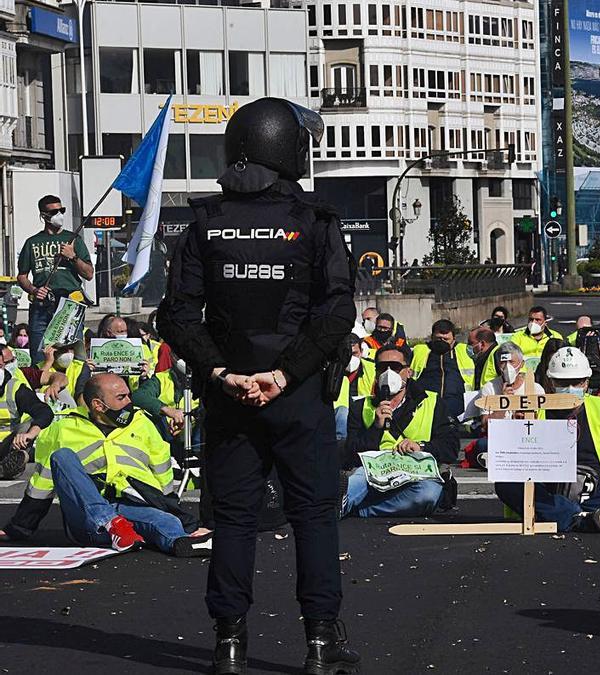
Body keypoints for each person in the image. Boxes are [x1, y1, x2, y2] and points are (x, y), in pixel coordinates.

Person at [155, 97, 360, 674]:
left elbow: (175, 316)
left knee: (235, 520)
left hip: (228, 395)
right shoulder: (315, 221)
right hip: (295, 394)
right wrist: (283, 375)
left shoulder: (202, 221)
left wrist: (222, 372)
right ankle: (321, 645)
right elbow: (334, 315)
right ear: (290, 149)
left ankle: (228, 644)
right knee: (313, 516)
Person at [0, 373, 211, 556]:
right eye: (122, 398)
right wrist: (18, 528)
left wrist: (188, 525)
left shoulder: (143, 422)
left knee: (164, 522)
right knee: (62, 457)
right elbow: (42, 484)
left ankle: (182, 543)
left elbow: (163, 479)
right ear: (98, 406)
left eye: (128, 394)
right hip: (87, 517)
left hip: (132, 506)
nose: (130, 402)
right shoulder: (63, 428)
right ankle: (109, 523)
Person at [493, 347, 600, 533]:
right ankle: (579, 518)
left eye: (576, 382)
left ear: (586, 383)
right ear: (551, 382)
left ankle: (567, 516)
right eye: (563, 382)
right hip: (551, 488)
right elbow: (517, 460)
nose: (570, 388)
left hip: (597, 487)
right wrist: (518, 430)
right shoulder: (536, 410)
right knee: (505, 484)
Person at [342, 346, 456, 517]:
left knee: (428, 494)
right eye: (382, 367)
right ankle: (335, 509)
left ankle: (364, 510)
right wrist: (376, 428)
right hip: (374, 473)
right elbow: (351, 451)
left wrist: (421, 446)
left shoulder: (431, 402)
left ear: (408, 372)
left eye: (395, 367)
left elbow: (451, 447)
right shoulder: (361, 406)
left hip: (416, 473)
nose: (388, 372)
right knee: (356, 480)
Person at [17, 195, 95, 358]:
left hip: (70, 303)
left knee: (74, 355)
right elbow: (22, 276)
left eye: (62, 210)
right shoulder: (32, 242)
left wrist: (72, 257)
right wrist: (33, 290)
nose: (59, 214)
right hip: (42, 304)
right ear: (43, 215)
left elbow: (88, 274)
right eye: (54, 211)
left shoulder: (73, 239)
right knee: (39, 355)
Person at [469, 342, 546, 462]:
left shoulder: (535, 389)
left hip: (527, 439)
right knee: (482, 444)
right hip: (500, 438)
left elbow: (543, 424)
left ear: (521, 364)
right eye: (503, 362)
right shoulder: (489, 388)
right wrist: (503, 403)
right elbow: (486, 426)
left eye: (512, 362)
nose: (507, 367)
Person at [0, 346, 54, 479]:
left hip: (7, 445)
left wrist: (30, 434)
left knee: (26, 425)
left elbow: (44, 411)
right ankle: (3, 470)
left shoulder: (15, 387)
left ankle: (9, 464)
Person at [412, 319, 476, 391]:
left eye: (446, 339)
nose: (442, 341)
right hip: (427, 400)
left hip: (458, 398)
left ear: (454, 339)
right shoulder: (420, 350)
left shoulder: (465, 350)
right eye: (438, 339)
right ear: (432, 337)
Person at [468, 326, 498, 390]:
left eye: (471, 343)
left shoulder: (498, 355)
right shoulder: (481, 358)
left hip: (493, 399)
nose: (469, 347)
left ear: (482, 344)